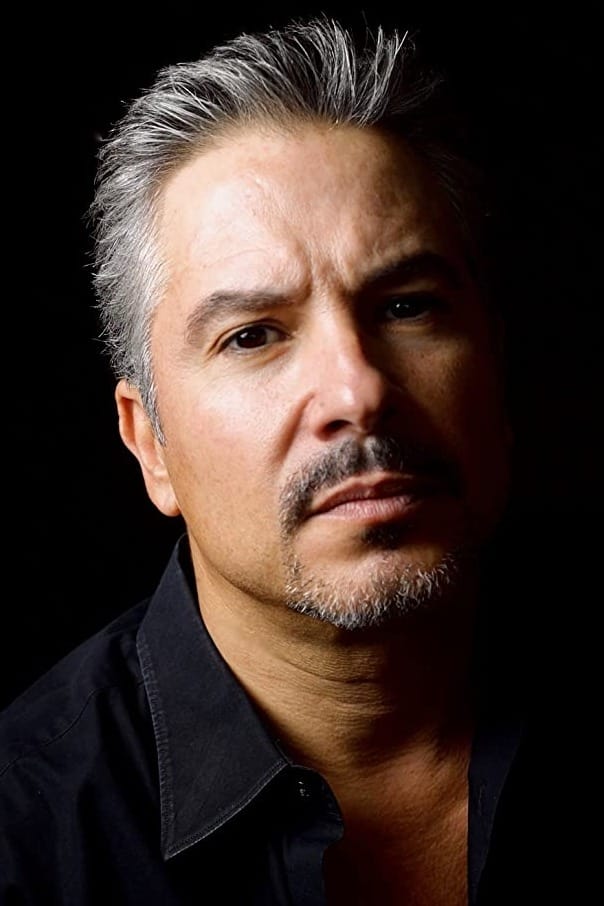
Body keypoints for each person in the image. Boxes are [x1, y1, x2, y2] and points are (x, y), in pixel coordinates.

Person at [0, 14, 587, 906]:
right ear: (150, 443)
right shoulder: (25, 842)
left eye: (407, 307)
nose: (358, 391)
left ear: (496, 370)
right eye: (254, 336)